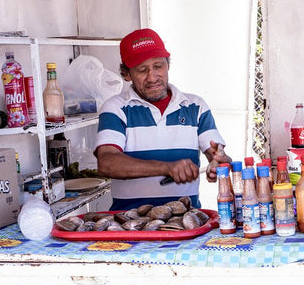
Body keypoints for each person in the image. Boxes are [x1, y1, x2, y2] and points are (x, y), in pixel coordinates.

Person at [95, 28, 231, 210]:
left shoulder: (195, 106)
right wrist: (166, 168)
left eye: (158, 66)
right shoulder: (115, 108)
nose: (152, 77)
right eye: (142, 70)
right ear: (127, 74)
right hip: (128, 223)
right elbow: (107, 163)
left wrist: (219, 162)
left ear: (168, 65)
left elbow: (217, 154)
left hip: (185, 221)